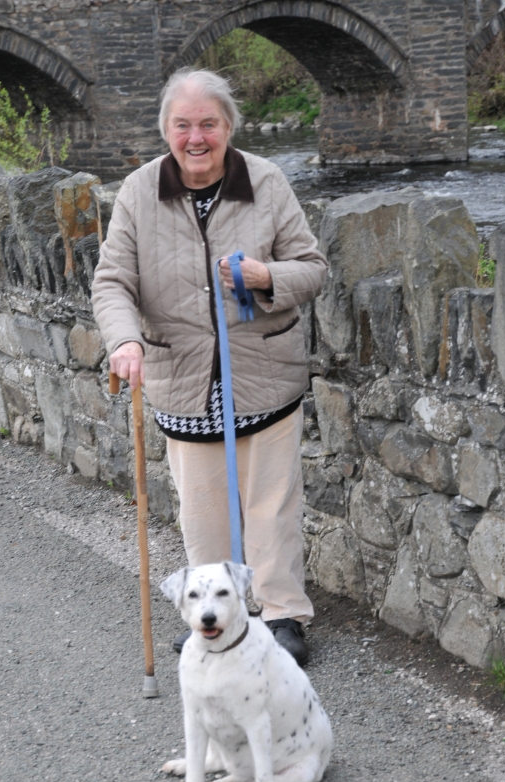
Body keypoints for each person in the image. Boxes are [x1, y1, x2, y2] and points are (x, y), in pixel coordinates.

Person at [92, 68, 328, 666]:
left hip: (263, 368)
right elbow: (113, 281)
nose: (196, 137)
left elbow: (313, 267)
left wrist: (266, 276)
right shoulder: (139, 191)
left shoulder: (267, 182)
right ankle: (217, 621)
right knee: (201, 508)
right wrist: (124, 341)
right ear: (166, 129)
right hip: (183, 374)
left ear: (228, 127)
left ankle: (280, 616)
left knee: (270, 503)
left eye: (209, 124)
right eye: (183, 125)